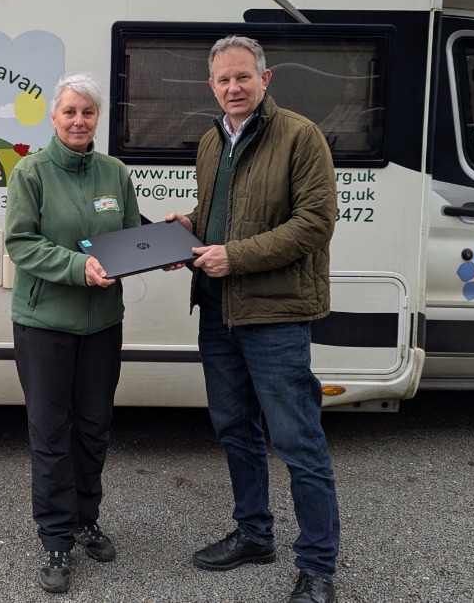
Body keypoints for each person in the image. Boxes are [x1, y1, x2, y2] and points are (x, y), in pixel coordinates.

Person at [165, 35, 340, 603]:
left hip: (274, 315)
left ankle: (317, 567)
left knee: (297, 441)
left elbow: (314, 222)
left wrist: (234, 256)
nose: (233, 88)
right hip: (218, 311)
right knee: (235, 429)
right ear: (211, 86)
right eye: (223, 80)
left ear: (266, 79)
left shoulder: (300, 135)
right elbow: (225, 213)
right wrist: (189, 226)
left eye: (243, 77)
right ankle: (254, 533)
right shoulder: (213, 141)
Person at [4, 73, 140, 595]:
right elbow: (21, 243)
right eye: (70, 112)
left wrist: (167, 247)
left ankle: (86, 519)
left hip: (102, 324)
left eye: (88, 112)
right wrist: (77, 266)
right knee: (50, 432)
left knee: (94, 428)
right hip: (45, 327)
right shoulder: (31, 172)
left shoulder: (114, 173)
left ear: (96, 118)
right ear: (54, 117)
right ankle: (56, 537)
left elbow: (129, 233)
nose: (79, 121)